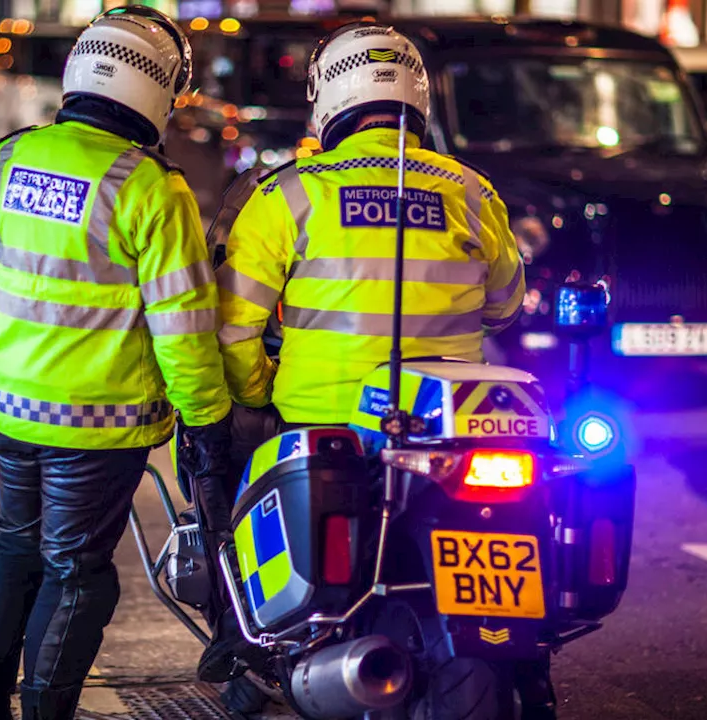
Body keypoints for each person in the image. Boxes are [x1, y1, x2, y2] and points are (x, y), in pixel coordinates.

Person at [198, 21, 527, 682]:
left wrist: (260, 389)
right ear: (419, 98)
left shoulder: (290, 191)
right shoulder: (471, 190)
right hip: (447, 425)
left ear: (327, 100)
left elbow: (233, 329)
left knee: (219, 471)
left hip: (322, 421)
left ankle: (241, 637)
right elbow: (506, 304)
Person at [0, 7, 232, 720]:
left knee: (16, 552)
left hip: (12, 411)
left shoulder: (4, 162)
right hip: (98, 431)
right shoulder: (151, 189)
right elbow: (185, 331)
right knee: (76, 574)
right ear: (158, 92)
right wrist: (208, 420)